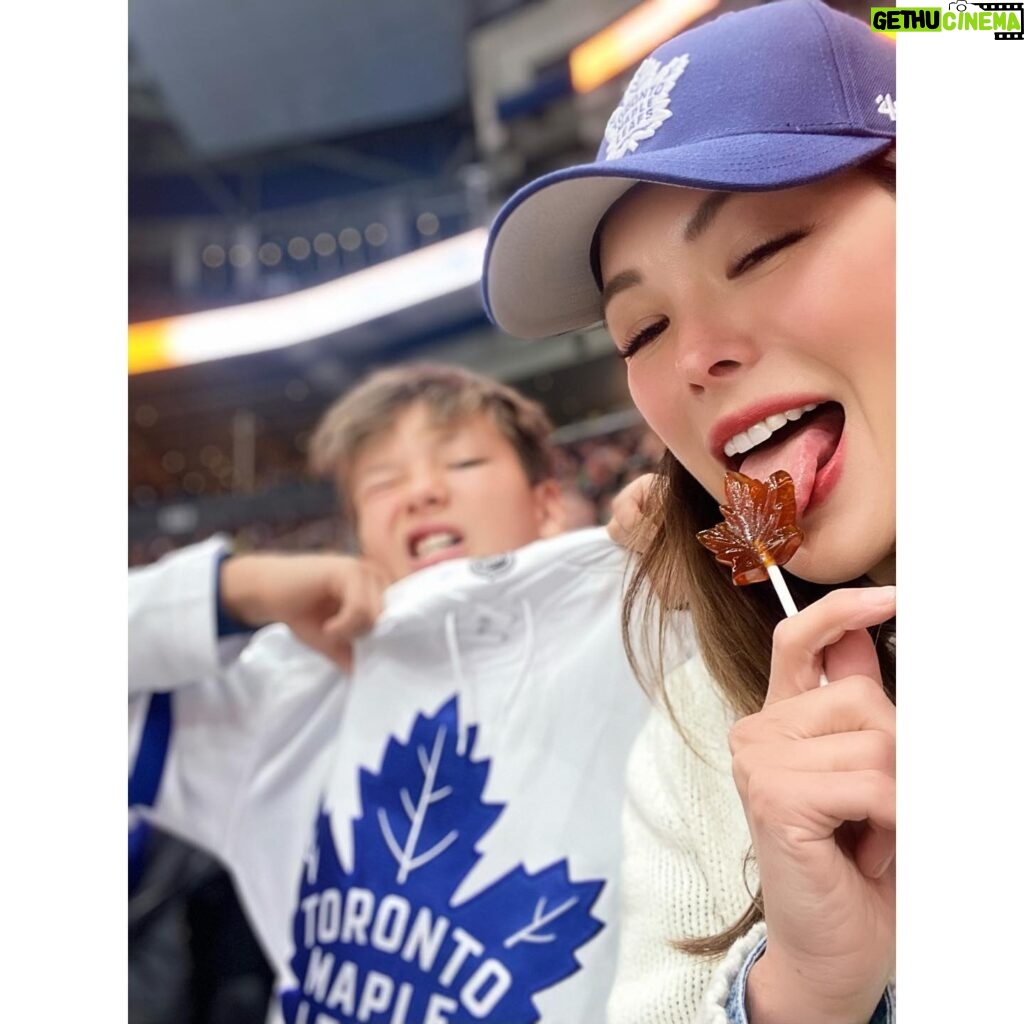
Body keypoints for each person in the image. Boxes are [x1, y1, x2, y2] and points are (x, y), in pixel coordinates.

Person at [482, 2, 896, 1022]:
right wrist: (806, 989)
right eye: (641, 328)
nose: (692, 356)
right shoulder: (698, 725)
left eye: (762, 249)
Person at [129, 363, 650, 1024]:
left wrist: (692, 545)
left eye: (461, 463)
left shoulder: (639, 629)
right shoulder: (281, 693)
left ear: (548, 504)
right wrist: (241, 585)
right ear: (355, 540)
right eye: (383, 481)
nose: (423, 492)